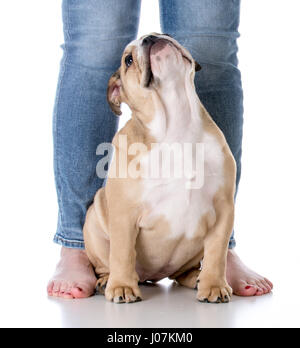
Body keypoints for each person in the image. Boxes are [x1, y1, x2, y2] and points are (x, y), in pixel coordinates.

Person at [47, 0, 273, 299]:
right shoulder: (129, 150)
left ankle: (214, 260)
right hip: (115, 237)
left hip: (186, 232)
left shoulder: (215, 148)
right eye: (130, 61)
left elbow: (220, 207)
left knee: (210, 39)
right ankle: (83, 251)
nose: (149, 44)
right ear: (119, 95)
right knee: (95, 41)